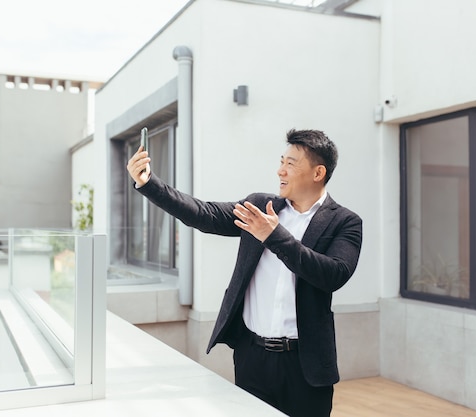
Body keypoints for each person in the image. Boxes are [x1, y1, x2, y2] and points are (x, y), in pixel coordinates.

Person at [126, 128, 362, 417]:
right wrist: (149, 183)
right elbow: (204, 214)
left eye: (290, 164)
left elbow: (333, 274)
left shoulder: (345, 222)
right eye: (281, 161)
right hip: (253, 358)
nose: (280, 171)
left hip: (306, 365)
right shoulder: (261, 207)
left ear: (318, 173)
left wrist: (274, 234)